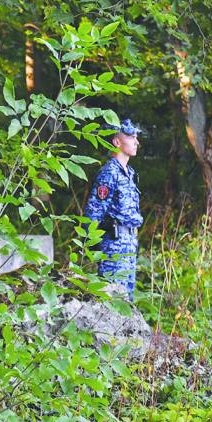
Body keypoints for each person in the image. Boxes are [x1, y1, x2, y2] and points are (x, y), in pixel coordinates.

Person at [83, 118, 143, 301]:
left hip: (129, 242)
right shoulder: (109, 173)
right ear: (117, 142)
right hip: (114, 244)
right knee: (114, 299)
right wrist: (91, 245)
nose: (136, 142)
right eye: (131, 137)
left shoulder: (129, 173)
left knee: (127, 300)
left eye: (136, 137)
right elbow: (94, 211)